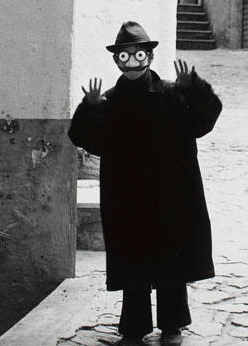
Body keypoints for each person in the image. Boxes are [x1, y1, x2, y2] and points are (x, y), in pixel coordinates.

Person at [68, 21, 222, 346]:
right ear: (117, 61)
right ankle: (134, 328)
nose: (132, 63)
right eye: (124, 56)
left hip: (170, 194)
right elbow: (86, 139)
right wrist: (90, 109)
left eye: (138, 55)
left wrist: (193, 88)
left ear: (149, 57)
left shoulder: (173, 94)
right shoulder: (109, 101)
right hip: (128, 196)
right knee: (133, 261)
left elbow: (203, 122)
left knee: (171, 260)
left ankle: (172, 325)